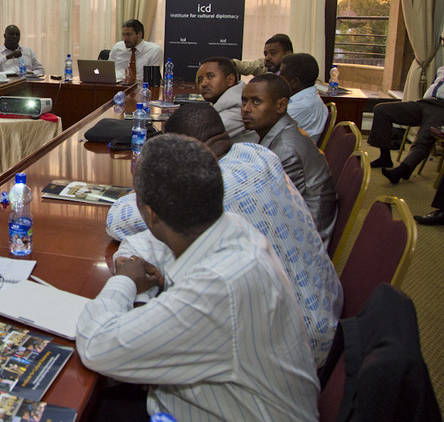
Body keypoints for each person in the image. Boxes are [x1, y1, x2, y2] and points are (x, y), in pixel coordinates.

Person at [78, 134, 318, 421]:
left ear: (150, 215)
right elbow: (145, 244)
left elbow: (96, 345)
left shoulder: (219, 286)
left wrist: (124, 281)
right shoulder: (230, 226)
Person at [106, 103, 342, 367]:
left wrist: (148, 185)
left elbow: (118, 220)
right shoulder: (259, 154)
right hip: (330, 322)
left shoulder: (209, 188)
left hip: (294, 353)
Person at [242, 74, 338, 247]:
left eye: (256, 102)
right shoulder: (282, 132)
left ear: (281, 105)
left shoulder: (286, 150)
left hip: (302, 245)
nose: (246, 109)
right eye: (244, 101)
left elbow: (268, 212)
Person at [367, 48, 444, 183]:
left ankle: (403, 169)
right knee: (381, 110)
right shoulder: (441, 70)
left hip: (441, 109)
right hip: (424, 103)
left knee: (425, 136)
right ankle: (385, 157)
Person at [195, 56, 258, 143]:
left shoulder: (240, 108)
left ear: (230, 80)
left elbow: (196, 137)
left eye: (210, 76)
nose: (203, 83)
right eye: (200, 80)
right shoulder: (225, 102)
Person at [279, 52, 328, 143]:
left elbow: (268, 128)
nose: (278, 78)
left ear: (294, 82)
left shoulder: (303, 106)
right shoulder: (306, 98)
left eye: (281, 75)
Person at [107, 19, 162, 84]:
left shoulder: (154, 50)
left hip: (141, 86)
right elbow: (108, 71)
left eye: (129, 35)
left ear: (140, 34)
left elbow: (153, 78)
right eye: (123, 35)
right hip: (117, 85)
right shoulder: (117, 47)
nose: (125, 38)